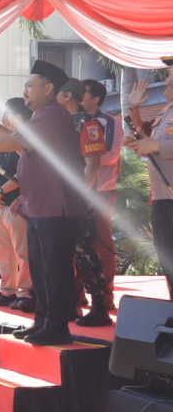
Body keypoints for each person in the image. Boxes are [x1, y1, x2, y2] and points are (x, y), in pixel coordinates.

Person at [0, 60, 87, 345]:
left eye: (30, 85)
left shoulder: (52, 114)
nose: (25, 91)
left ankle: (57, 326)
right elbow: (15, 139)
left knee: (54, 267)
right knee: (39, 268)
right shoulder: (42, 116)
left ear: (49, 88)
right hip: (39, 204)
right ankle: (42, 320)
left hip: (57, 205)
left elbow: (15, 142)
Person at [0, 98, 34, 310]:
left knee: (22, 251)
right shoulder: (4, 141)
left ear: (18, 117)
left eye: (6, 115)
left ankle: (25, 292)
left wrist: (1, 191)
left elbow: (23, 174)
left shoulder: (23, 140)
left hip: (16, 203)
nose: (3, 119)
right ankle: (7, 290)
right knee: (2, 250)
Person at [125, 61, 173, 299]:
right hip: (163, 196)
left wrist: (154, 144)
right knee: (167, 258)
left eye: (170, 80)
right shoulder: (166, 112)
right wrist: (139, 142)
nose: (165, 86)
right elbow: (148, 139)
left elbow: (156, 144)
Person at [78, 78, 122, 326]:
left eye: (83, 94)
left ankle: (105, 297)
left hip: (101, 190)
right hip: (76, 191)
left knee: (100, 243)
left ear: (95, 98)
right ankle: (79, 296)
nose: (79, 97)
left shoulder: (108, 121)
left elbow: (112, 154)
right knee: (78, 246)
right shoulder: (74, 120)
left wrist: (85, 155)